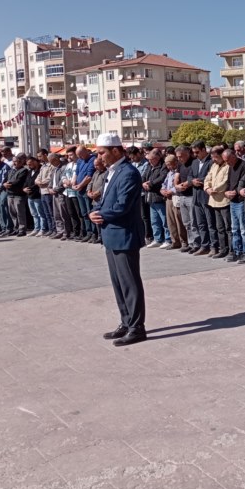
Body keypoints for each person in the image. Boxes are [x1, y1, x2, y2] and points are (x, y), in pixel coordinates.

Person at [89, 134, 147, 346]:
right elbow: (106, 200)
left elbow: (122, 205)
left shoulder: (128, 173)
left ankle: (136, 327)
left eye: (102, 152)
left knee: (129, 282)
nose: (99, 157)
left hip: (125, 235)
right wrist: (96, 211)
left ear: (116, 150)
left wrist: (100, 214)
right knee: (118, 283)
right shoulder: (112, 172)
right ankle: (126, 321)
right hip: (111, 234)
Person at [224, 148, 245, 262]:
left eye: (228, 160)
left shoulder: (244, 165)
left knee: (243, 229)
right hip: (232, 201)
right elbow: (229, 182)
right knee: (234, 228)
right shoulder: (230, 167)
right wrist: (227, 191)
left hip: (241, 200)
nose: (227, 163)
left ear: (233, 156)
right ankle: (237, 251)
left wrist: (235, 191)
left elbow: (243, 182)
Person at [188, 140, 217, 255]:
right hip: (196, 196)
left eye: (197, 152)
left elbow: (211, 176)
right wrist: (191, 181)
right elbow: (190, 175)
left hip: (206, 196)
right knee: (200, 223)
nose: (195, 155)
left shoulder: (211, 162)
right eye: (194, 152)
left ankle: (214, 246)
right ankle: (204, 245)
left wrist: (198, 180)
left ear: (204, 150)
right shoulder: (195, 162)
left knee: (210, 223)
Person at [204, 146, 232, 258]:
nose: (214, 159)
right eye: (212, 157)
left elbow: (225, 182)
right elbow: (207, 178)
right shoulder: (214, 165)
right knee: (219, 227)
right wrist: (207, 188)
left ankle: (232, 250)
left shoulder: (227, 166)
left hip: (224, 200)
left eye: (215, 157)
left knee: (228, 227)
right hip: (214, 200)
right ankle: (223, 249)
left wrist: (214, 189)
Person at [141, 149, 170, 248]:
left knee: (164, 220)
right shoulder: (149, 166)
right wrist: (143, 183)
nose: (149, 161)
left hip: (159, 196)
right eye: (148, 159)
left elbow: (162, 178)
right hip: (150, 197)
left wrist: (151, 183)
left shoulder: (163, 166)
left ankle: (168, 239)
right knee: (154, 220)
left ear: (157, 158)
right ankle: (157, 239)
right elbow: (143, 177)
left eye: (151, 159)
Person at [161, 154, 187, 251]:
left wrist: (172, 190)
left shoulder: (179, 171)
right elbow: (164, 183)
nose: (169, 167)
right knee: (170, 221)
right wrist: (162, 190)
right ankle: (175, 241)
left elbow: (180, 184)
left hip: (176, 197)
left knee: (179, 221)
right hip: (168, 198)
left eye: (170, 164)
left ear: (175, 162)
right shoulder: (169, 173)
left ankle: (184, 241)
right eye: (167, 165)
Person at [173, 146, 197, 253]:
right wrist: (176, 185)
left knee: (193, 222)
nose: (179, 159)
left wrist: (185, 184)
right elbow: (176, 177)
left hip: (191, 195)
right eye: (177, 157)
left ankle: (196, 243)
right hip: (182, 195)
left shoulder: (194, 163)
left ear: (187, 154)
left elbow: (192, 178)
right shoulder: (180, 164)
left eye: (181, 156)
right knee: (186, 222)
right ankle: (190, 243)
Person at [73, 146, 97, 242]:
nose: (80, 157)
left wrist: (80, 185)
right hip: (79, 190)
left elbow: (89, 176)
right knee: (83, 213)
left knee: (89, 211)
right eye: (78, 155)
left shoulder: (92, 160)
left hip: (86, 189)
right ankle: (88, 232)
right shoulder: (79, 161)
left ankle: (94, 234)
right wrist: (74, 183)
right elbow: (77, 173)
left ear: (86, 152)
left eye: (81, 155)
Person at [48, 152, 72, 239]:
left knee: (63, 214)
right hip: (54, 194)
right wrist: (50, 188)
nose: (51, 163)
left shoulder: (63, 167)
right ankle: (59, 231)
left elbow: (62, 181)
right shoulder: (54, 169)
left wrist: (55, 189)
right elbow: (51, 181)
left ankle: (66, 232)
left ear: (56, 159)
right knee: (56, 213)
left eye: (52, 161)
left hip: (61, 193)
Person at [4, 153, 29, 236]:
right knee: (13, 213)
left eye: (16, 162)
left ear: (21, 162)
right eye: (13, 161)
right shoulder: (11, 170)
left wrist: (9, 184)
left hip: (18, 194)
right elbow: (5, 179)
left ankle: (22, 229)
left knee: (20, 213)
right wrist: (4, 184)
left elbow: (19, 181)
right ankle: (16, 228)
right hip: (10, 194)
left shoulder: (24, 170)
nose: (14, 163)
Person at [23, 156, 44, 236]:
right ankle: (36, 228)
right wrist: (24, 188)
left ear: (35, 162)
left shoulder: (40, 170)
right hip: (30, 196)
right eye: (28, 164)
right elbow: (26, 181)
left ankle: (42, 229)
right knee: (34, 214)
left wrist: (30, 189)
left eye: (30, 164)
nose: (29, 165)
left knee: (40, 213)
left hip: (37, 195)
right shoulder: (29, 171)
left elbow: (36, 183)